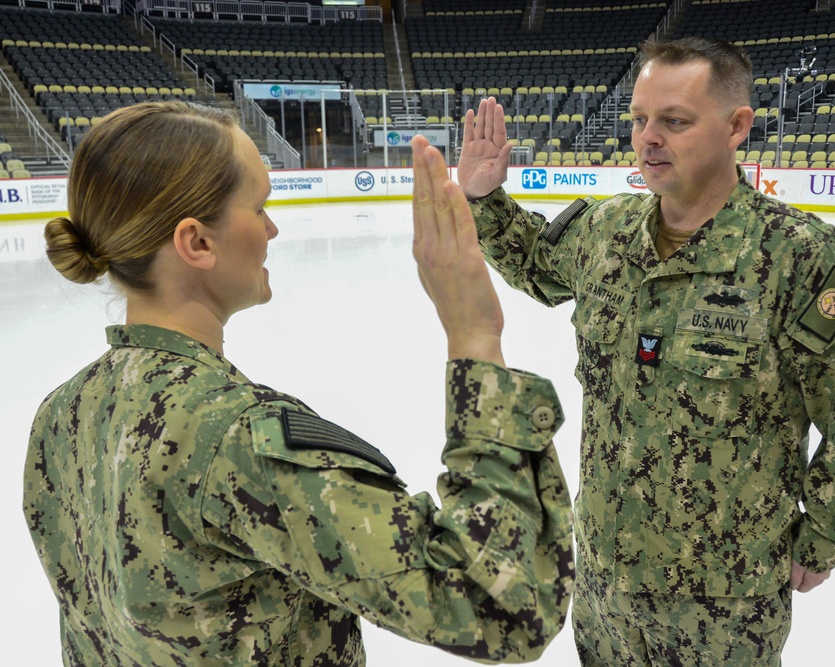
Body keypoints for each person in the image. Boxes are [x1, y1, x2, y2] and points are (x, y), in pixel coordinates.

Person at [22, 101, 574, 666]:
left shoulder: (60, 414)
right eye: (258, 207)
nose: (273, 227)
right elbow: (501, 608)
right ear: (197, 244)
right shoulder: (239, 442)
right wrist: (475, 335)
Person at [457, 37, 835, 666]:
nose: (648, 138)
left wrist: (823, 539)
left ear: (736, 126)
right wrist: (484, 198)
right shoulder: (606, 232)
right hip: (606, 586)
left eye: (674, 121)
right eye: (640, 119)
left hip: (725, 607)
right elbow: (535, 262)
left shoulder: (801, 259)